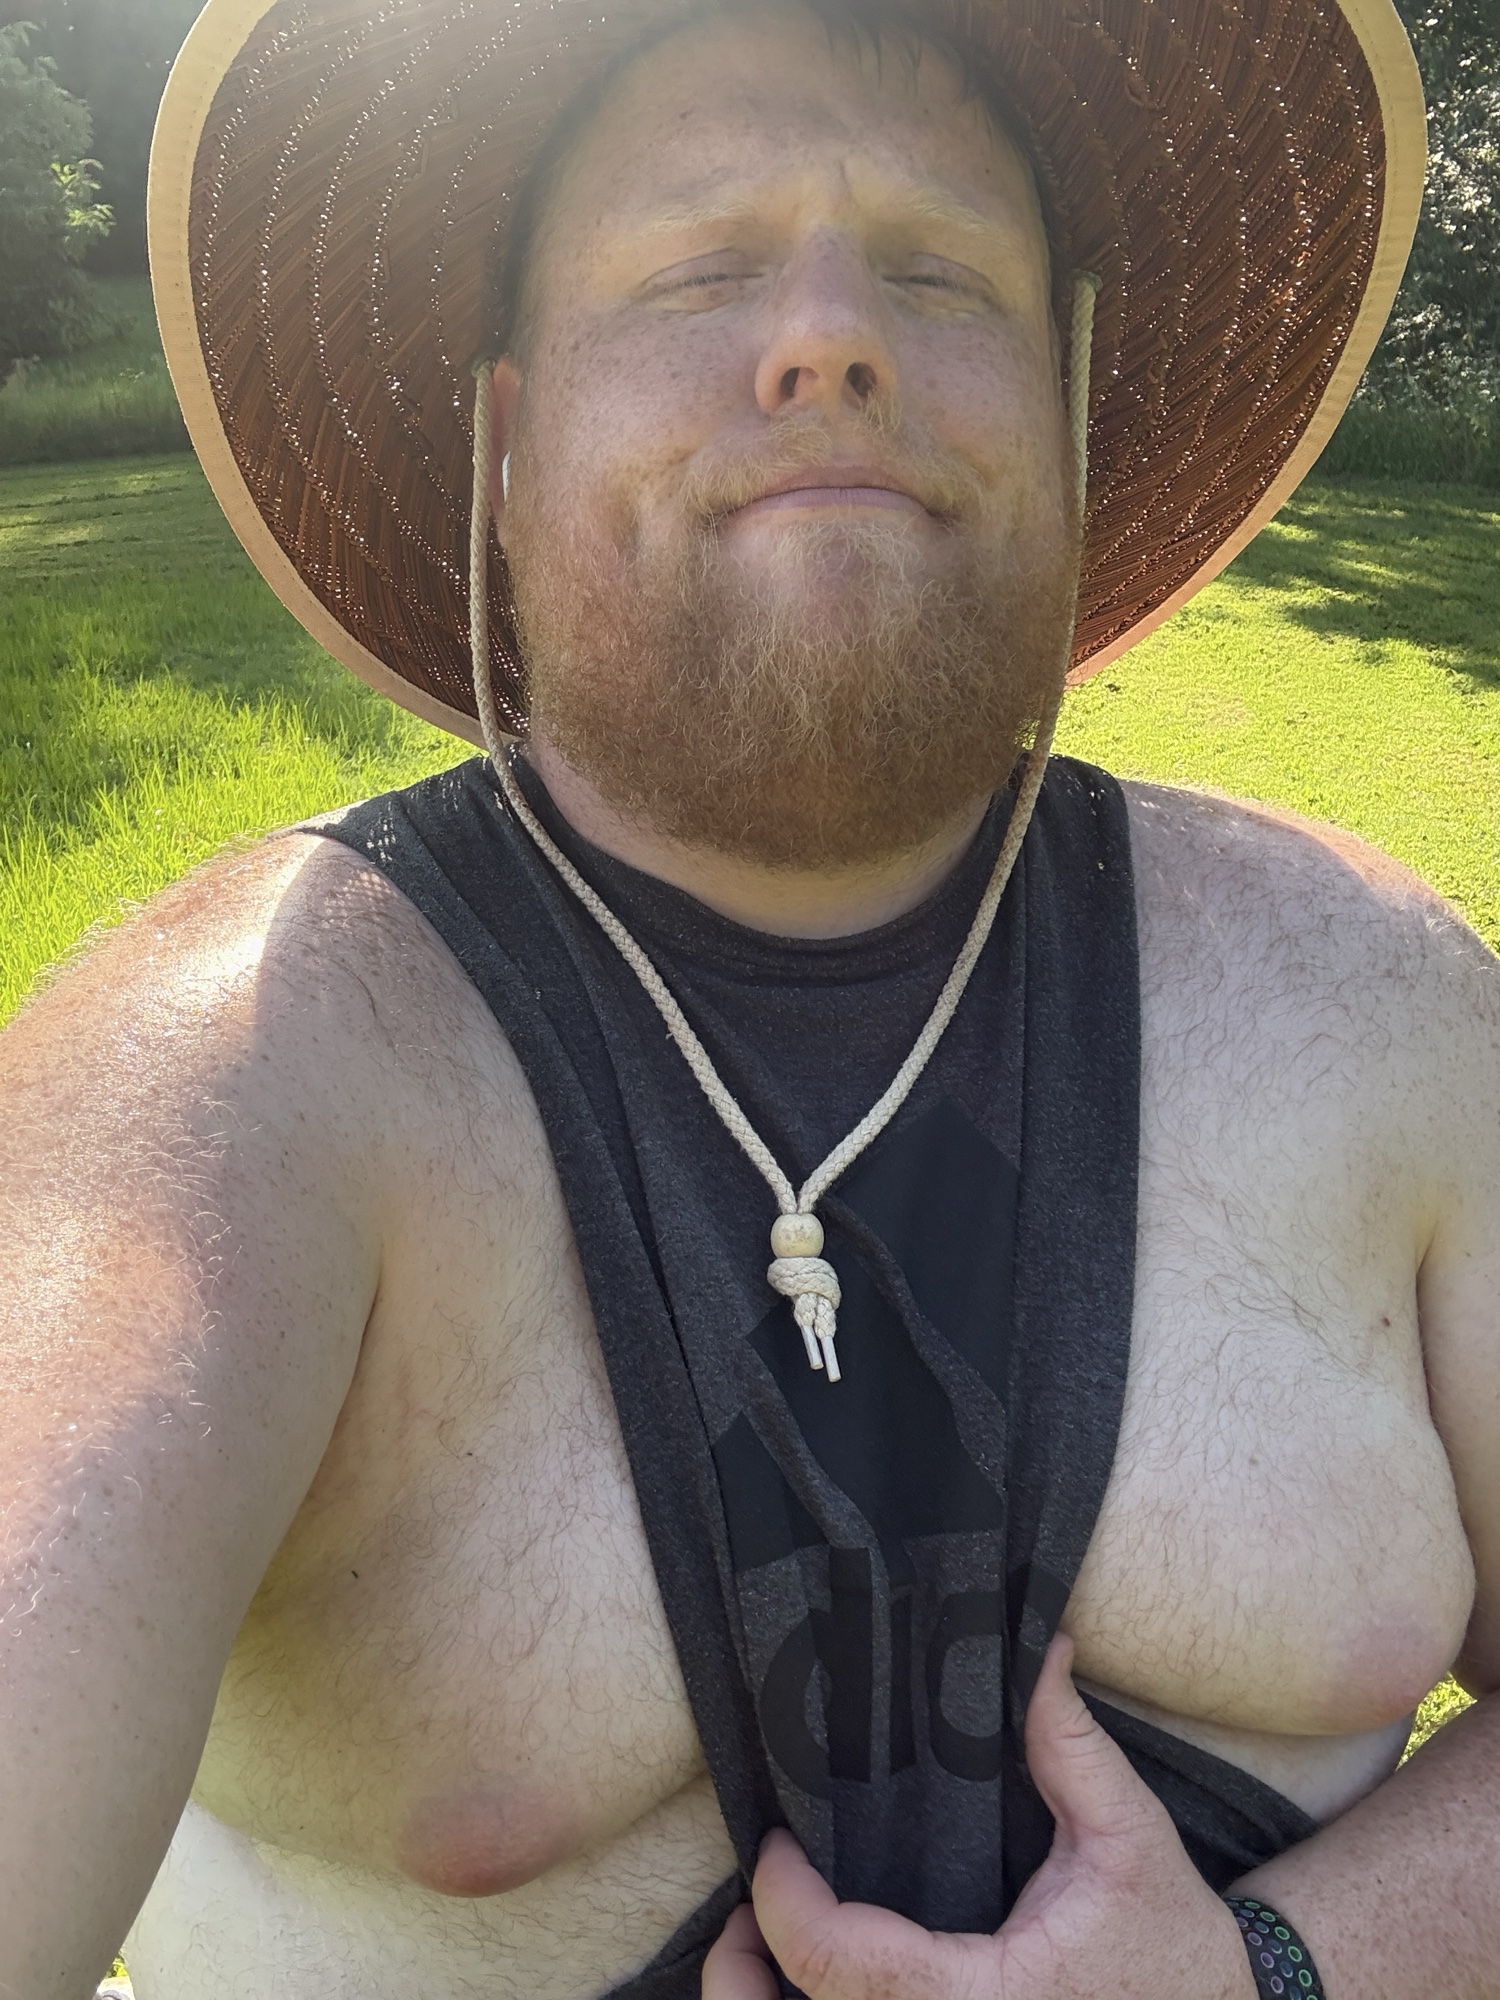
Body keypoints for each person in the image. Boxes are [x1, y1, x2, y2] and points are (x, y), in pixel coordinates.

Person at [3, 0, 1497, 1995]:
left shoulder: (1377, 994)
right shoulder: (233, 1089)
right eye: (699, 269)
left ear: (1060, 402)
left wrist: (1272, 1972)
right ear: (510, 437)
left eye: (940, 273)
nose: (829, 337)